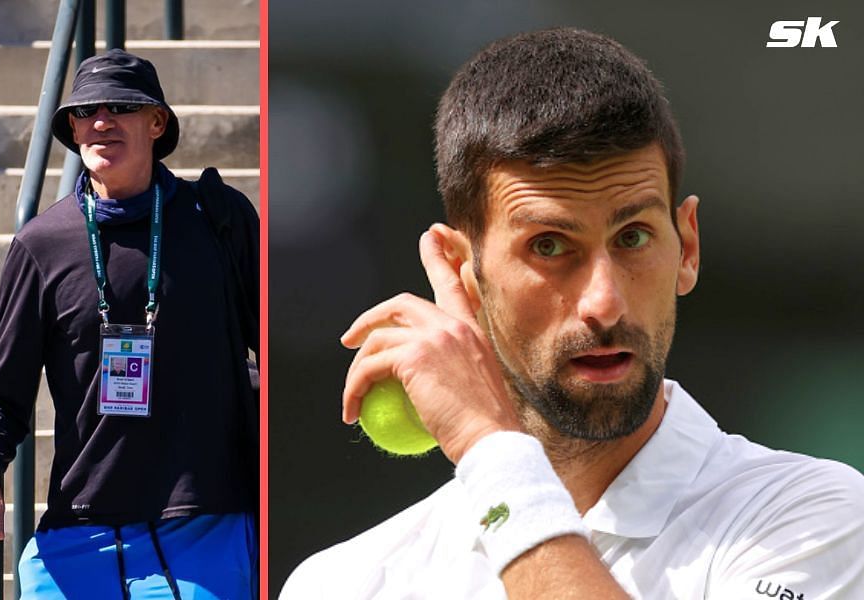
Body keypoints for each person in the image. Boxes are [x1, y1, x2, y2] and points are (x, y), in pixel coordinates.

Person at [281, 28, 864, 599]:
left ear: (686, 247)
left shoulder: (819, 517)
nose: (604, 302)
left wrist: (487, 443)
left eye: (633, 237)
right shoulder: (342, 583)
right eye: (550, 247)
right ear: (464, 271)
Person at [0, 49, 259, 599]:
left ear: (157, 123)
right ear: (71, 127)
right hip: (80, 529)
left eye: (121, 107)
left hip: (203, 521)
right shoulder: (43, 244)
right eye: (86, 111)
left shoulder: (217, 218)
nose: (101, 122)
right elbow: (1, 392)